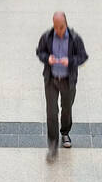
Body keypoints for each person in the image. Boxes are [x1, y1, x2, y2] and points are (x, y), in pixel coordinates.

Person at [36, 11, 88, 162]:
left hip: (68, 80)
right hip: (51, 80)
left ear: (66, 23)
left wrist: (70, 61)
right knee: (51, 112)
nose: (59, 30)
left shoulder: (75, 38)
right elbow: (40, 52)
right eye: (56, 27)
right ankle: (52, 143)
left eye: (61, 27)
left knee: (67, 109)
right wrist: (48, 58)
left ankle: (65, 132)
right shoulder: (47, 37)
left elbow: (83, 56)